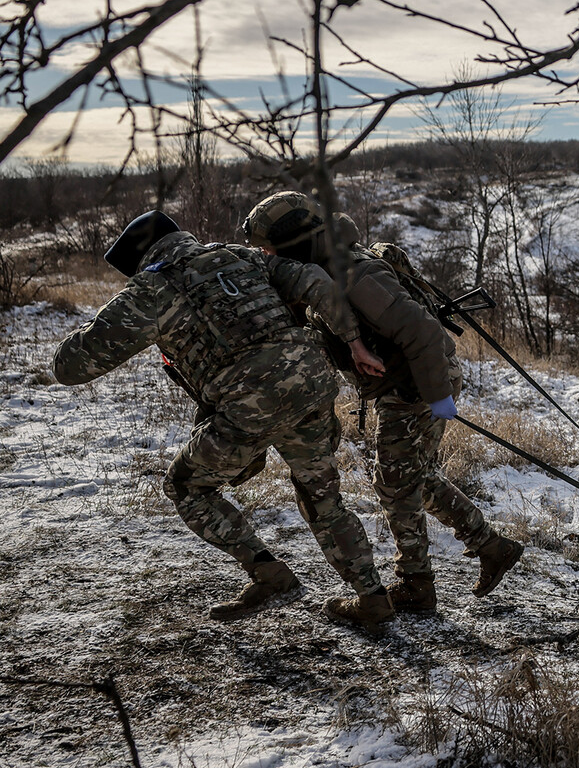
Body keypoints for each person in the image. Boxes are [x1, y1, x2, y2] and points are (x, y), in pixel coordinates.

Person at [52, 210, 397, 626]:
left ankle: (269, 574)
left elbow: (69, 368)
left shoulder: (148, 292)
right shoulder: (239, 256)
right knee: (323, 498)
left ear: (140, 260)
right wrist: (353, 341)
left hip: (247, 405)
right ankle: (372, 597)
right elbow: (315, 282)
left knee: (186, 486)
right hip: (310, 385)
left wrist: (103, 320)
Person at [242, 192, 524, 613]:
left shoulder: (353, 273)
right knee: (412, 477)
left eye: (267, 246)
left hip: (415, 384)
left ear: (289, 238)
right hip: (406, 383)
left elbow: (424, 334)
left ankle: (416, 585)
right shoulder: (323, 268)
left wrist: (437, 397)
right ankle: (491, 546)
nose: (265, 255)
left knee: (395, 484)